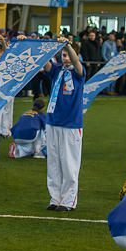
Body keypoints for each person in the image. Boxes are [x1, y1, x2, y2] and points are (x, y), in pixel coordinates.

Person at [43, 37, 85, 211]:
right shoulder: (57, 70)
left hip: (71, 124)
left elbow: (76, 63)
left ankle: (68, 200)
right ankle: (55, 198)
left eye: (68, 55)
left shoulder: (78, 72)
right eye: (63, 55)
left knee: (69, 163)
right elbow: (45, 65)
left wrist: (67, 44)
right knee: (53, 162)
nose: (65, 58)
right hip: (53, 121)